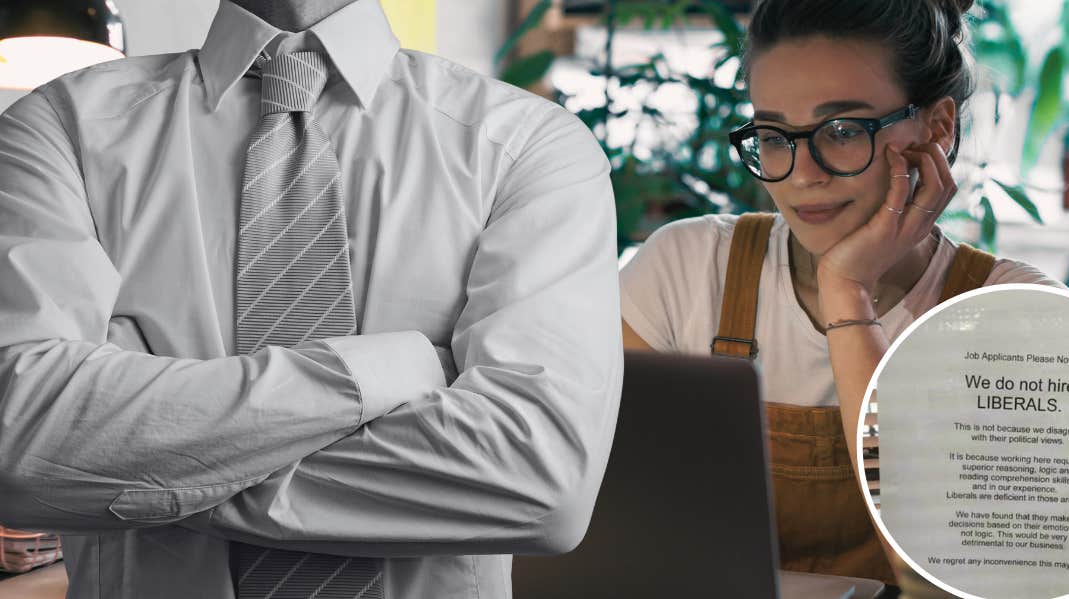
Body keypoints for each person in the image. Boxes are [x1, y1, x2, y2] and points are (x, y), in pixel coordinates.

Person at [0, 0, 621, 597]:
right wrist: (385, 372)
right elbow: (19, 445)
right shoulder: (58, 129)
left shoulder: (530, 147)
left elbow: (538, 485)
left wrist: (133, 454)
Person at [619, 0, 1065, 590]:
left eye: (843, 131)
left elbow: (941, 576)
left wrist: (847, 292)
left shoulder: (1011, 314)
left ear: (937, 128)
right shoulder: (686, 269)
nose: (803, 173)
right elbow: (601, 533)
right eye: (775, 136)